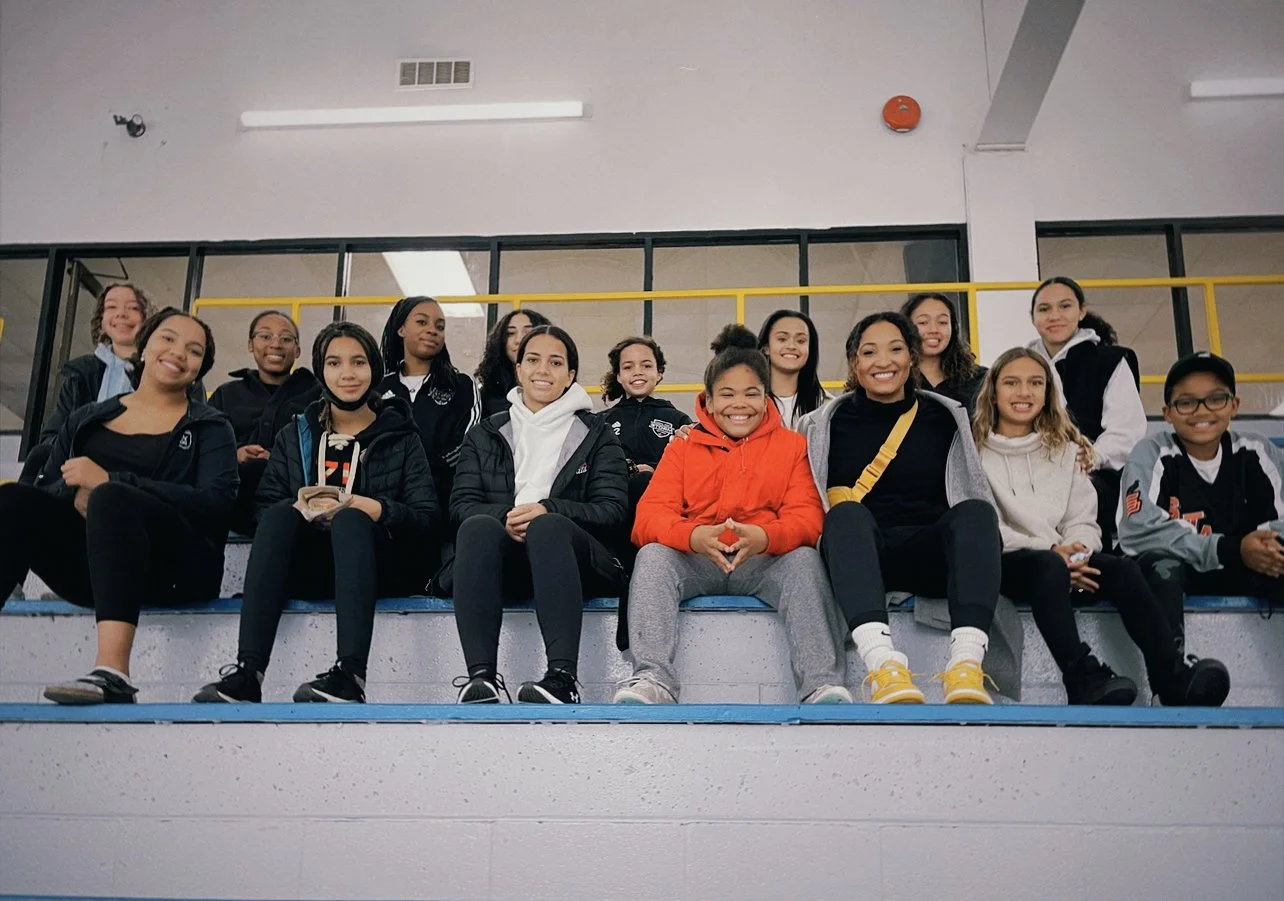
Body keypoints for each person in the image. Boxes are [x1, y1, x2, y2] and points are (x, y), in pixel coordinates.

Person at [194, 322, 438, 704]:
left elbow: (426, 518)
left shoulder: (402, 435)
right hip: (311, 567)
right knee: (278, 515)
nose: (347, 373)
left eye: (358, 362)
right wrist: (300, 508)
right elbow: (264, 508)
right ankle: (247, 673)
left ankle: (350, 676)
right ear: (321, 371)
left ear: (373, 368)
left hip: (378, 568)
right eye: (334, 363)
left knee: (351, 518)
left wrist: (371, 507)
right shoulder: (296, 432)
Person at [0, 308, 236, 704]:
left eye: (194, 351)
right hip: (94, 569)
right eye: (168, 338)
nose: (178, 352)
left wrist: (113, 482)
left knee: (113, 495)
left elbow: (216, 502)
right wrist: (74, 494)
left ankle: (113, 674)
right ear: (144, 348)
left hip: (176, 571)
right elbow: (47, 487)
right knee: (12, 498)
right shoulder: (87, 419)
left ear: (198, 370)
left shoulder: (211, 426)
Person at [975, 347, 1229, 706]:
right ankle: (1082, 676)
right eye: (1011, 382)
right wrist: (1052, 556)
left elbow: (1082, 519)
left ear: (1049, 393)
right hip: (1006, 562)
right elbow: (980, 524)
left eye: (1036, 383)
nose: (1024, 392)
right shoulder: (973, 452)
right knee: (1046, 566)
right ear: (994, 392)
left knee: (1121, 568)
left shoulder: (1065, 450)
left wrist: (1076, 555)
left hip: (1064, 564)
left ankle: (1170, 676)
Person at [614, 325, 850, 705]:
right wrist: (692, 537)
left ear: (766, 398)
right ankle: (653, 679)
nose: (739, 404)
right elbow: (648, 519)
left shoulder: (792, 446)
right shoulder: (683, 447)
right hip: (698, 560)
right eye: (726, 394)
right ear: (707, 400)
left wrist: (765, 538)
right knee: (653, 556)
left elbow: (807, 517)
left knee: (805, 561)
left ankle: (820, 683)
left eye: (751, 394)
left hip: (763, 561)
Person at [800, 312, 1002, 704]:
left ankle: (965, 665)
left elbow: (973, 485)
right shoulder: (824, 423)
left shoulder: (946, 416)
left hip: (930, 553)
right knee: (844, 515)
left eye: (895, 349)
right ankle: (883, 667)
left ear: (912, 358)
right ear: (854, 364)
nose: (883, 362)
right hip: (859, 557)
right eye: (869, 352)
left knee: (977, 512)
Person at [451, 325, 628, 704]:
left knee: (547, 527)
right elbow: (461, 505)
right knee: (479, 526)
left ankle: (562, 679)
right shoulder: (485, 433)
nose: (542, 370)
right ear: (518, 369)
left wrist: (548, 510)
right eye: (532, 360)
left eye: (555, 362)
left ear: (571, 376)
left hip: (575, 562)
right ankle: (481, 680)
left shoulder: (597, 434)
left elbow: (612, 510)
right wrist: (508, 517)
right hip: (504, 557)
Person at [1119, 352, 1282, 687]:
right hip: (1183, 571)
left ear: (1234, 405)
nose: (1202, 411)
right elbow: (1137, 529)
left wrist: (1262, 548)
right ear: (1167, 413)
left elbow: (1279, 520)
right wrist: (1230, 548)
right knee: (1160, 566)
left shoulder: (1257, 450)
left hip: (1243, 568)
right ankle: (1173, 681)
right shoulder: (1151, 453)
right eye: (1186, 402)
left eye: (1216, 399)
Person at [1029, 276, 1146, 546]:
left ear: (1081, 312)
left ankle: (1085, 566)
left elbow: (1125, 430)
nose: (1054, 315)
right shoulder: (1021, 363)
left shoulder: (1111, 361)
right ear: (1033, 318)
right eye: (1044, 309)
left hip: (1092, 474)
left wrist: (1091, 456)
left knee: (1078, 499)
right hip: (1031, 470)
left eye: (1065, 306)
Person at [599, 335, 693, 649]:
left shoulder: (677, 419)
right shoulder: (602, 422)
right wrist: (628, 468)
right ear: (618, 376)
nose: (637, 372)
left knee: (644, 485)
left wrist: (658, 468)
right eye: (628, 367)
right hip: (618, 506)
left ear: (660, 372)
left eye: (646, 365)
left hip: (659, 510)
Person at [20, 282, 155, 484]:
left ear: (147, 318)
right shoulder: (79, 374)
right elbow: (52, 435)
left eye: (133, 308)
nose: (121, 314)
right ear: (101, 320)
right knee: (35, 462)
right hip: (76, 468)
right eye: (111, 307)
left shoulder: (161, 373)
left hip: (133, 470)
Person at [207, 310, 319, 536]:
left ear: (297, 350)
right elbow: (207, 445)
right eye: (265, 336)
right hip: (233, 500)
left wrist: (279, 459)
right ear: (250, 345)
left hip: (292, 500)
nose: (276, 344)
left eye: (286, 338)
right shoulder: (226, 394)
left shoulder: (316, 395)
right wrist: (236, 453)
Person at [377, 296, 481, 518]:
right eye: (422, 322)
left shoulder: (461, 385)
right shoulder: (378, 388)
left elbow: (468, 442)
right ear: (401, 329)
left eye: (440, 326)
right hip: (385, 503)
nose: (433, 330)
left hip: (442, 502)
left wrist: (422, 473)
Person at [900, 292, 986, 414]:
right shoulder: (896, 380)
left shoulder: (979, 380)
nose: (934, 330)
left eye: (942, 322)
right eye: (923, 322)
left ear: (953, 328)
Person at [757, 309, 830, 429]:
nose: (791, 346)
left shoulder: (826, 406)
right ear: (766, 348)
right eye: (782, 339)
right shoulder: (751, 403)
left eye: (801, 341)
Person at [475, 309, 551, 417]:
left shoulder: (557, 389)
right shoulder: (486, 397)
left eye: (528, 332)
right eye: (510, 333)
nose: (519, 340)